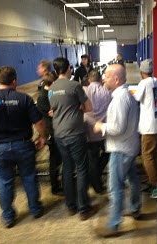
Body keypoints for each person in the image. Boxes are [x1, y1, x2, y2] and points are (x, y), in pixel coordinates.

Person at [0, 66, 47, 228]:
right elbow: (39, 122)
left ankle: (9, 217)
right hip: (23, 145)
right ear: (14, 81)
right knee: (29, 177)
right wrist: (42, 137)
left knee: (4, 182)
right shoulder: (24, 99)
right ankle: (35, 209)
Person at [93, 64, 141, 237]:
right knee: (132, 179)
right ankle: (135, 208)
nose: (103, 79)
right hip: (129, 146)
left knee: (115, 187)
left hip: (121, 150)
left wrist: (101, 127)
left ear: (116, 79)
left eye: (106, 76)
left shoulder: (120, 99)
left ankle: (113, 224)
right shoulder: (125, 95)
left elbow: (118, 128)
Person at [49, 57, 98, 220]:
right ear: (69, 68)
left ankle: (71, 206)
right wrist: (79, 107)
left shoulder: (51, 88)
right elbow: (89, 107)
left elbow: (54, 110)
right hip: (75, 133)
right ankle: (84, 209)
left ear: (56, 71)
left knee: (67, 169)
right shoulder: (75, 86)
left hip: (59, 134)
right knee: (82, 169)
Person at [132, 59, 157, 188]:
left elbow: (136, 99)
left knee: (147, 156)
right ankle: (153, 177)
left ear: (141, 72)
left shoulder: (143, 84)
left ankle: (155, 185)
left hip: (148, 127)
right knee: (155, 155)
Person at [83, 70, 112, 194]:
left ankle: (97, 185)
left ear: (89, 80)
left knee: (92, 159)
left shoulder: (84, 91)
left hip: (89, 132)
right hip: (105, 131)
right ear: (101, 80)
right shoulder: (108, 91)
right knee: (108, 154)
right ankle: (98, 173)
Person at [36, 71, 63, 195]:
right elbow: (53, 112)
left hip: (57, 129)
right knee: (54, 161)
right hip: (52, 132)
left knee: (58, 159)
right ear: (52, 83)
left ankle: (58, 182)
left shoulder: (50, 93)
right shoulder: (43, 97)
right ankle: (55, 186)